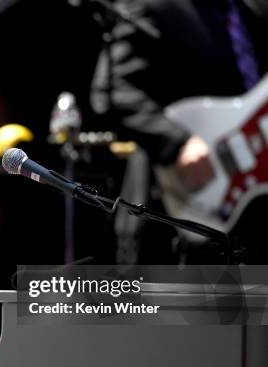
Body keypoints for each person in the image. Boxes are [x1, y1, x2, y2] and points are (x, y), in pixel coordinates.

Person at [90, 0, 268, 263]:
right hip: (180, 209)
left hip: (254, 210)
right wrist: (176, 142)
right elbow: (114, 91)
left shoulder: (252, 11)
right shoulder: (156, 5)